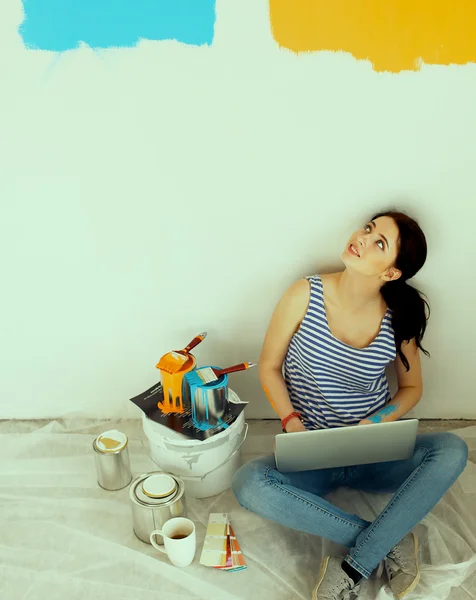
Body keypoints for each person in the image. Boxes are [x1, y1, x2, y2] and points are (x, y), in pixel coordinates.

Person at [232, 210, 469, 600]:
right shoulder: (303, 294)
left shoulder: (399, 317)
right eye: (368, 228)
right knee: (249, 485)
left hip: (372, 451)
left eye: (379, 242)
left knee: (451, 450)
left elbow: (411, 388)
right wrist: (292, 423)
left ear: (392, 272)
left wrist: (376, 420)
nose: (362, 237)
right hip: (311, 449)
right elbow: (270, 367)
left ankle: (354, 565)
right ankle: (386, 544)